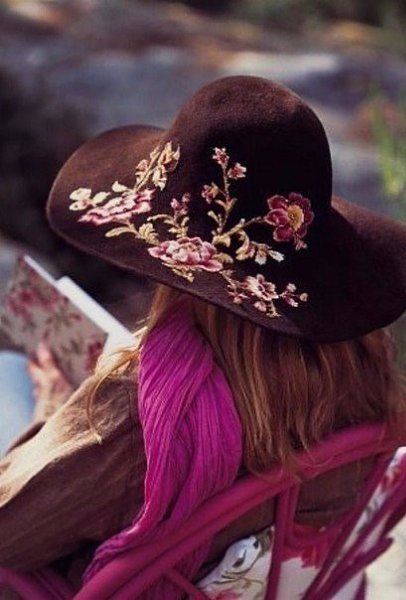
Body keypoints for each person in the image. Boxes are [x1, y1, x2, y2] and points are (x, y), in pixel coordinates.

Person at [0, 76, 406, 597]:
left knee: (10, 374)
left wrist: (53, 409)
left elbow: (9, 532)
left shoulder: (143, 421)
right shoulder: (368, 370)